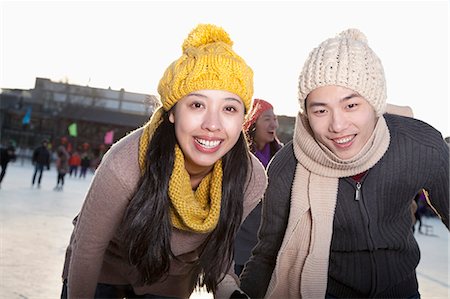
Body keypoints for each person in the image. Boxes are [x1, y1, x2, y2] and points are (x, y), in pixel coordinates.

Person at [61, 24, 267, 299]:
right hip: (104, 269)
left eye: (229, 108)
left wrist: (230, 292)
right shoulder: (126, 161)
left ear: (243, 118)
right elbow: (88, 247)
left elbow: (219, 253)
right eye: (197, 105)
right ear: (172, 112)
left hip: (170, 281)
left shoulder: (250, 177)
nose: (212, 124)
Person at [239, 29, 449, 298]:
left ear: (374, 104)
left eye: (351, 106)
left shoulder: (419, 145)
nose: (337, 126)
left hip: (401, 291)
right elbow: (267, 255)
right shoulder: (287, 168)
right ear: (306, 113)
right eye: (321, 110)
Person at [234, 99, 282, 276]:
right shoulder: (237, 158)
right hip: (239, 247)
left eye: (275, 119)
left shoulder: (282, 156)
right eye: (267, 119)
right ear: (252, 123)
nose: (274, 124)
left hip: (270, 247)